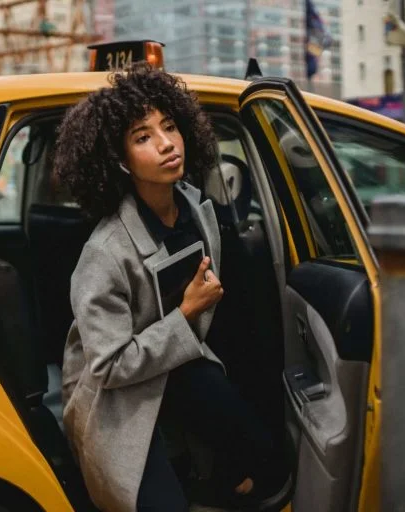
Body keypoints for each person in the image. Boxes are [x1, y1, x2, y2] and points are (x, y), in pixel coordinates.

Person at [55, 63, 274, 512]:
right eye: (142, 137)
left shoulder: (195, 205)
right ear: (119, 160)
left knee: (265, 455)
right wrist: (187, 312)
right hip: (115, 395)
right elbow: (111, 366)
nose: (166, 143)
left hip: (177, 366)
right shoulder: (104, 254)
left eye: (170, 126)